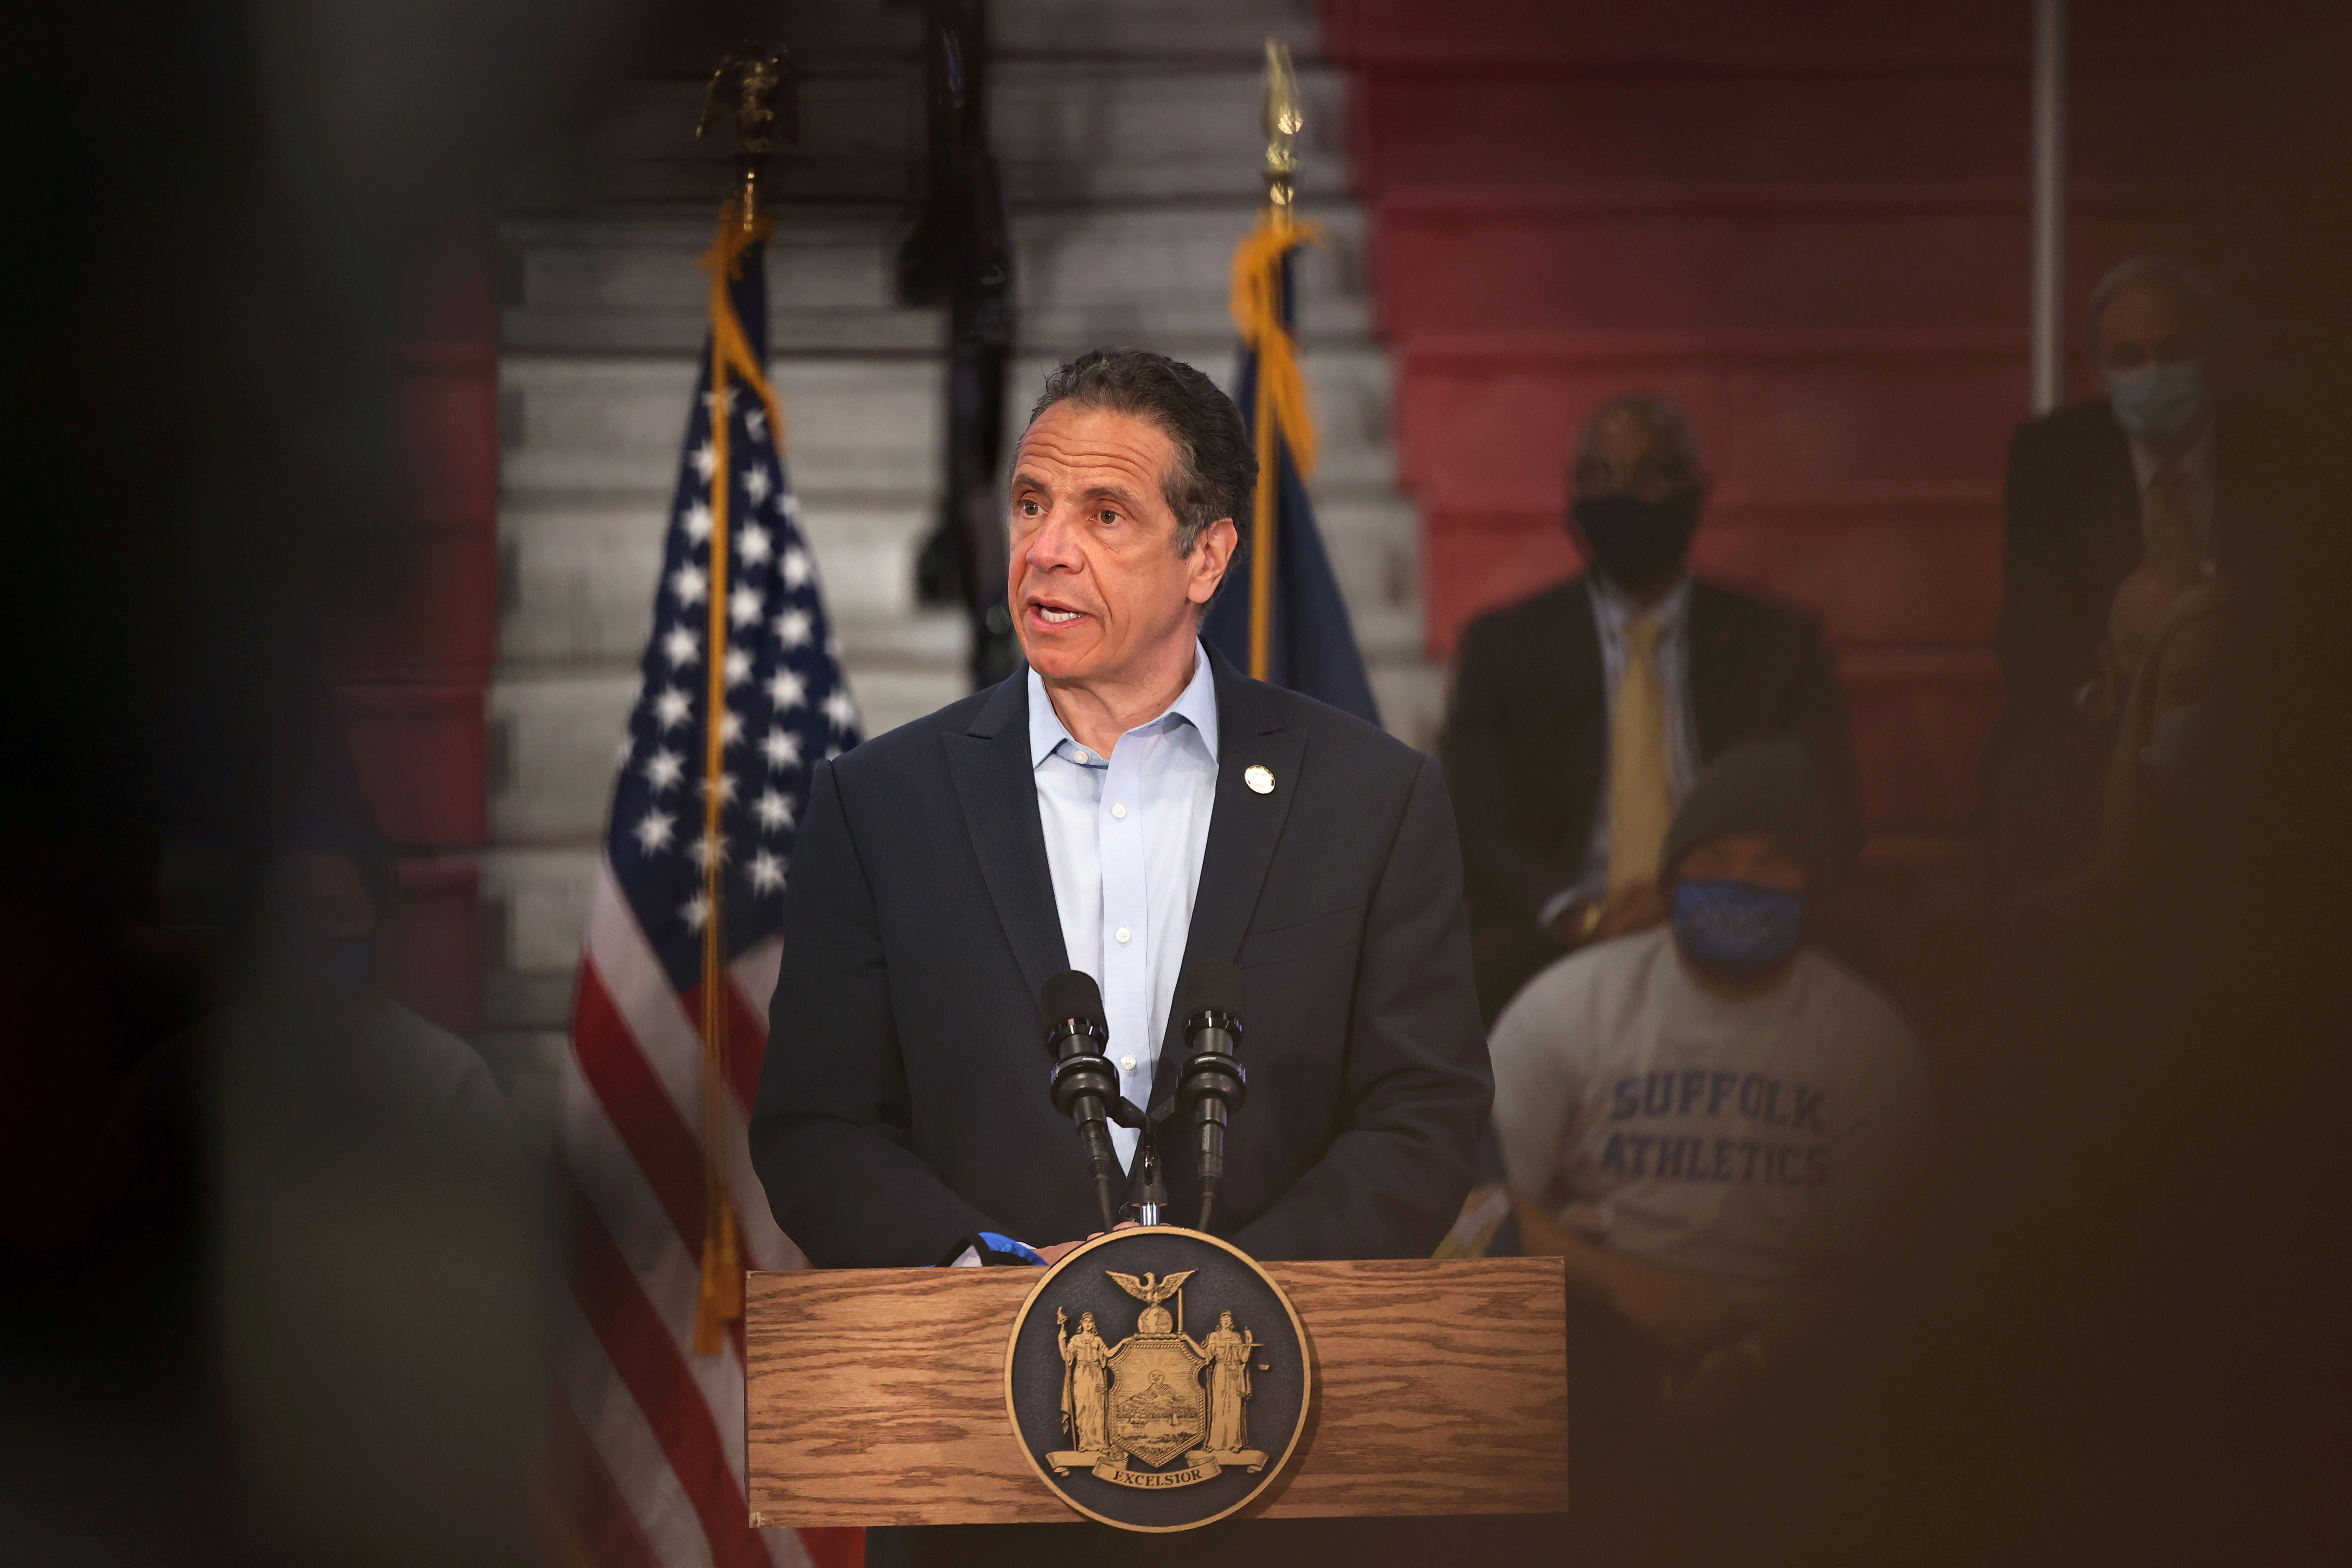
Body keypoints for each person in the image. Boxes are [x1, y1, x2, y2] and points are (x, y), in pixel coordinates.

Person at [752, 345, 1489, 1266]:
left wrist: (1237, 1293)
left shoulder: (1372, 800)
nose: (1046, 550)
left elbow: (1422, 1115)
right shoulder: (876, 807)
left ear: (1206, 558)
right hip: (979, 1369)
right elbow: (818, 1129)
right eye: (1030, 505)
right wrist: (988, 1275)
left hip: (1283, 1366)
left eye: (1104, 515)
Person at [1488, 741, 1930, 1457]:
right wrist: (1620, 1284)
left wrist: (1758, 1359)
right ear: (1670, 876)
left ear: (1812, 885)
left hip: (1794, 1355)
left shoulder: (1869, 1041)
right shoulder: (1569, 1004)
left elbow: (1879, 1262)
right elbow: (1475, 1199)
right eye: (1716, 857)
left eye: (1769, 862)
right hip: (1591, 1328)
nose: (1740, 881)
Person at [1442, 393, 1862, 1023]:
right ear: (1571, 494)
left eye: (1650, 474)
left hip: (1737, 903)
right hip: (1564, 925)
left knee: (1860, 954)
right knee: (1472, 972)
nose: (1624, 495)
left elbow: (1828, 810)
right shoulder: (1505, 645)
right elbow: (1476, 828)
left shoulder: (1777, 642)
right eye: (1601, 476)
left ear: (1697, 491)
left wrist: (1699, 898)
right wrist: (1581, 915)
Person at [1985, 254, 2226, 779]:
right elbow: (2032, 628)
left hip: (2250, 718)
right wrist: (2108, 707)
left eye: (2174, 351)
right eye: (2129, 358)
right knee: (2030, 775)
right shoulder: (2050, 454)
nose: (2154, 372)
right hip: (2101, 718)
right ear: (2096, 374)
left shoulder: (2286, 453)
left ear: (2212, 357)